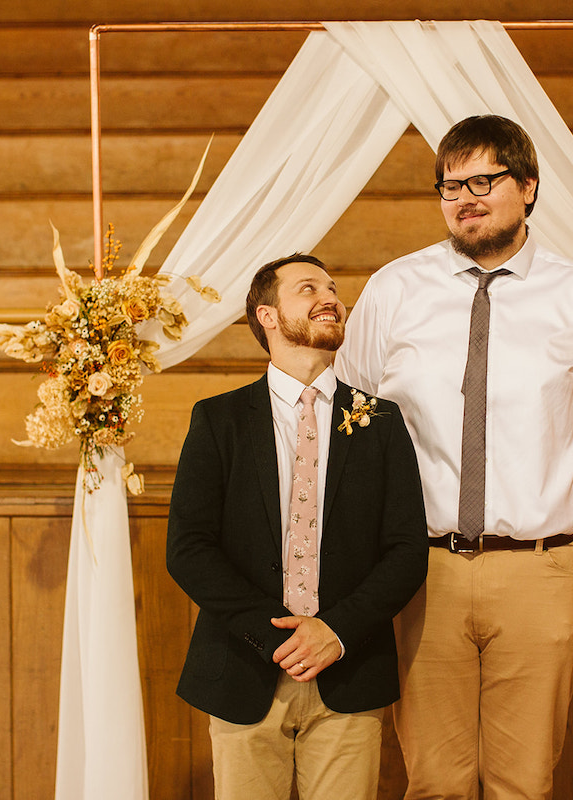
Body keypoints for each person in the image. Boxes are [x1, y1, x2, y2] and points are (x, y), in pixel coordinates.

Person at [336, 115, 573, 799]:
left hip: (542, 569)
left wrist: (546, 501)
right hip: (420, 571)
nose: (465, 198)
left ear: (527, 186)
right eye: (450, 186)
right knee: (434, 783)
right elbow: (353, 418)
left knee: (523, 783)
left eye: (484, 180)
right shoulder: (395, 290)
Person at [167, 253, 428, 800]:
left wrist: (335, 631)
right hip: (244, 666)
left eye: (332, 288)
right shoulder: (219, 420)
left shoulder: (380, 421)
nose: (329, 297)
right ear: (267, 315)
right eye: (308, 288)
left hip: (348, 669)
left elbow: (405, 549)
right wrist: (273, 637)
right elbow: (188, 548)